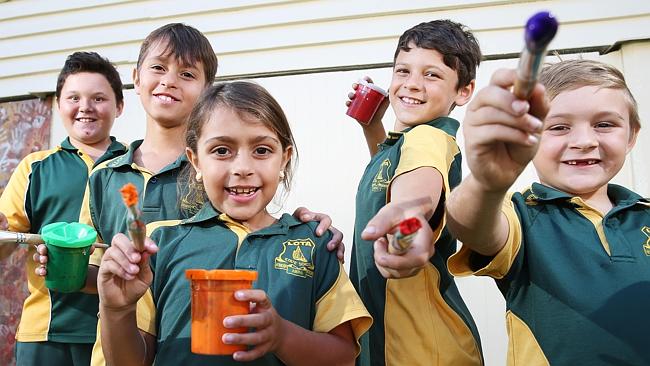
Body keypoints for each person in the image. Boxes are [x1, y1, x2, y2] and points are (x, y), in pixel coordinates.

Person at [97, 81, 372, 365]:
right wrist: (116, 311)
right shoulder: (157, 246)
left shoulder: (313, 243)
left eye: (262, 150)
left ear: (284, 159)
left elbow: (344, 355)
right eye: (221, 151)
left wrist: (282, 336)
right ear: (196, 161)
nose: (242, 168)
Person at [446, 59, 649, 364]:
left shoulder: (644, 215)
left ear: (631, 135)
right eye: (558, 127)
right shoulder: (521, 216)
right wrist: (486, 182)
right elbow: (471, 224)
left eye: (604, 124)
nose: (584, 141)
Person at [347, 20, 484, 365]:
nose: (412, 85)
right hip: (398, 341)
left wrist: (408, 217)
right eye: (402, 71)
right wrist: (372, 127)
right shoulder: (402, 144)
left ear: (463, 91)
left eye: (432, 75)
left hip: (424, 348)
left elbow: (415, 192)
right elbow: (392, 180)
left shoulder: (429, 139)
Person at [0, 51, 127, 365]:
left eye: (98, 98)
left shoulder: (135, 167)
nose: (85, 107)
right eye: (73, 97)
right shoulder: (34, 167)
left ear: (119, 106)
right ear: (58, 105)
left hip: (120, 332)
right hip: (44, 334)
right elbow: (6, 235)